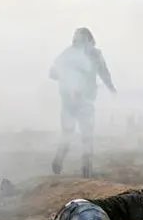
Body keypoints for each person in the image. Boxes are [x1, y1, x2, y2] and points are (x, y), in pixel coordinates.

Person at [49, 27, 116, 178]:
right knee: (72, 132)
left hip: (84, 100)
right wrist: (67, 76)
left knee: (84, 134)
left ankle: (86, 170)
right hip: (71, 101)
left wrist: (111, 88)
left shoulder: (93, 54)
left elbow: (104, 73)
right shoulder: (69, 53)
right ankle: (61, 160)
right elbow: (53, 72)